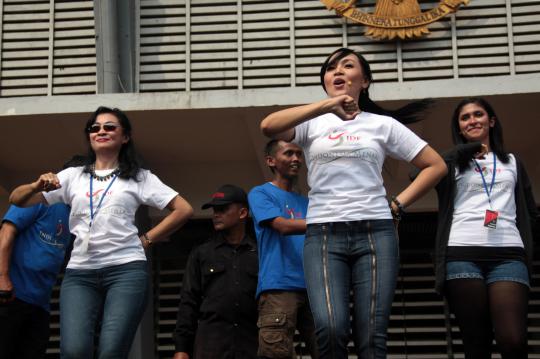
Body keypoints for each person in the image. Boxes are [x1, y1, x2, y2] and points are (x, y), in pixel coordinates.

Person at [259, 47, 447, 358]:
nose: (338, 72)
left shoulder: (381, 125)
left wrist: (397, 204)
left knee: (371, 336)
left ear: (365, 81)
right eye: (331, 68)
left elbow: (436, 165)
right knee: (330, 329)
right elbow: (269, 125)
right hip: (323, 235)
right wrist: (327, 106)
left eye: (347, 65)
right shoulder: (310, 125)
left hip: (376, 233)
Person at [9, 106, 194, 359]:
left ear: (125, 136)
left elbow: (183, 209)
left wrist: (147, 239)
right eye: (94, 128)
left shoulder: (139, 177)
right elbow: (17, 200)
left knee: (111, 351)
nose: (101, 131)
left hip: (126, 270)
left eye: (109, 127)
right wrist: (35, 185)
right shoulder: (72, 176)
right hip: (80, 273)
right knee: (73, 351)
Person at [431, 98, 538, 358]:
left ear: (491, 121)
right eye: (465, 117)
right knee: (476, 342)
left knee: (512, 340)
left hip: (508, 254)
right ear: (459, 127)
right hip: (461, 254)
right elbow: (417, 176)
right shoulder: (452, 162)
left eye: (478, 114)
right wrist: (461, 151)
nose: (472, 120)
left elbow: (530, 211)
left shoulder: (512, 161)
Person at [0, 155, 85, 359]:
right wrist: (2, 278)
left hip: (40, 304)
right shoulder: (41, 200)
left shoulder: (77, 215)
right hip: (11, 296)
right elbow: (6, 232)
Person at [248, 139, 318, 359]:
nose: (296, 159)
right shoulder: (261, 193)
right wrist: (328, 221)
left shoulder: (309, 202)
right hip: (279, 287)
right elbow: (283, 226)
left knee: (331, 349)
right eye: (288, 153)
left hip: (314, 289)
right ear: (271, 161)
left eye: (299, 154)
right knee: (275, 353)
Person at [172, 184, 258, 359]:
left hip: (252, 346)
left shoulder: (260, 254)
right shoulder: (201, 253)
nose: (216, 214)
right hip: (210, 347)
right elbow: (188, 302)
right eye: (214, 210)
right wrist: (181, 348)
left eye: (223, 209)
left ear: (242, 213)